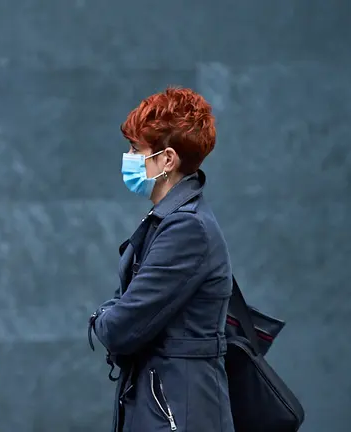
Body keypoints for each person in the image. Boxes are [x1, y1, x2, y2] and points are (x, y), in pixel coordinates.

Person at [89, 87, 234, 432]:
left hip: (178, 413)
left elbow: (122, 327)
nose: (128, 157)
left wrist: (101, 317)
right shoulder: (175, 219)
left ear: (167, 160)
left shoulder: (186, 228)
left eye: (136, 149)